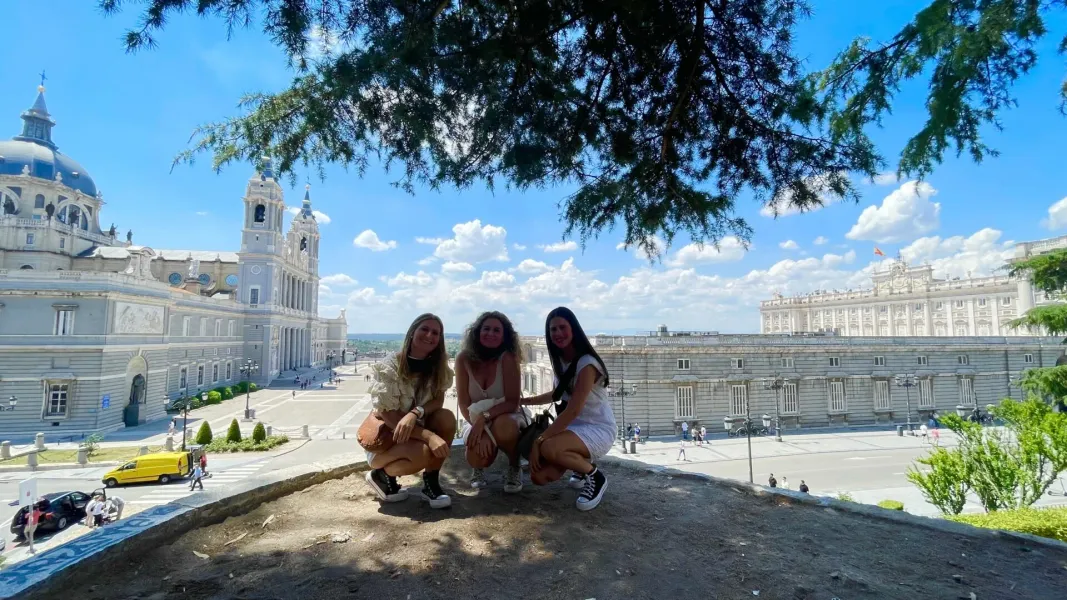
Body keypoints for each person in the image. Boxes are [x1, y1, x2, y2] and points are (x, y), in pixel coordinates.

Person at [521, 307, 614, 511]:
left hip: (597, 429)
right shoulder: (562, 362)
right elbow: (556, 394)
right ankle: (580, 465)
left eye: (562, 327)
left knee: (547, 447)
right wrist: (523, 401)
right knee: (539, 476)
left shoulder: (587, 364)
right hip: (573, 430)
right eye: (553, 329)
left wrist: (539, 440)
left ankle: (595, 477)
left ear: (574, 329)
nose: (558, 334)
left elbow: (572, 409)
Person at [364, 313, 457, 509]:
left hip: (414, 431)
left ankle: (431, 483)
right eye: (425, 329)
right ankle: (381, 474)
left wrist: (415, 413)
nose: (429, 335)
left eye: (435, 332)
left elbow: (438, 400)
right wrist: (429, 436)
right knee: (424, 452)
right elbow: (388, 414)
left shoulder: (437, 366)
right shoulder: (391, 365)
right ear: (412, 332)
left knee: (446, 418)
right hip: (387, 438)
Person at [456, 311, 526, 493]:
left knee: (505, 425)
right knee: (476, 458)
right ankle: (478, 469)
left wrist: (484, 420)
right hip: (473, 419)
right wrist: (482, 429)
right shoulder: (463, 359)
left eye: (497, 330)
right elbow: (463, 403)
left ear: (504, 337)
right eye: (486, 328)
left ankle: (514, 465)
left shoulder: (508, 359)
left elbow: (512, 402)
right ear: (477, 332)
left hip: (506, 416)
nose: (491, 333)